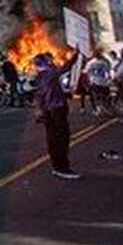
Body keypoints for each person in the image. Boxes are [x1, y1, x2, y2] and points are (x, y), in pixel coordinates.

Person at [34, 51, 80, 179]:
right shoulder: (49, 74)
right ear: (45, 62)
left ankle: (58, 167)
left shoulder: (40, 77)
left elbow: (40, 96)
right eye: (49, 60)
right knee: (61, 139)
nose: (52, 61)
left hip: (49, 111)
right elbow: (66, 67)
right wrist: (75, 57)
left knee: (53, 139)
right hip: (56, 110)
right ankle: (62, 168)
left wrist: (40, 112)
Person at [84, 50, 113, 116]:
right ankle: (107, 110)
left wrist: (87, 83)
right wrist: (109, 80)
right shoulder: (105, 62)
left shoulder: (90, 63)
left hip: (94, 82)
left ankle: (98, 110)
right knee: (105, 97)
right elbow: (108, 72)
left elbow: (86, 72)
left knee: (96, 97)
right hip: (103, 83)